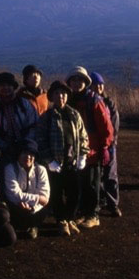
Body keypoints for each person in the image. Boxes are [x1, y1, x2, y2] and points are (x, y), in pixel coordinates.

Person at [37, 81, 89, 236]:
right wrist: (49, 160)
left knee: (75, 193)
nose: (61, 96)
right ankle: (61, 221)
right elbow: (41, 140)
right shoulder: (47, 117)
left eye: (64, 94)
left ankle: (69, 219)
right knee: (57, 194)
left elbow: (83, 136)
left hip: (72, 161)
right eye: (57, 93)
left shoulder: (74, 114)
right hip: (56, 163)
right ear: (52, 96)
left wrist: (83, 155)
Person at [66, 66, 114, 229]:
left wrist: (105, 147)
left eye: (80, 80)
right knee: (81, 183)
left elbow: (106, 127)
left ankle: (93, 215)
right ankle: (84, 213)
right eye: (74, 80)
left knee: (93, 183)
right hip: (74, 151)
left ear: (86, 82)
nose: (77, 83)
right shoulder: (70, 99)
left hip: (92, 150)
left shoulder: (94, 100)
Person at [3, 139, 50, 239]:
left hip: (35, 209)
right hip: (17, 206)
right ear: (18, 154)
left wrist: (32, 208)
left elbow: (45, 196)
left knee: (44, 209)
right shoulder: (10, 168)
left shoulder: (41, 170)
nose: (28, 157)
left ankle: (33, 226)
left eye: (31, 154)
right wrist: (38, 199)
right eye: (24, 153)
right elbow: (14, 195)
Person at [89, 72, 122, 217]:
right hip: (95, 146)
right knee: (97, 176)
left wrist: (111, 144)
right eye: (96, 84)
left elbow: (114, 126)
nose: (99, 87)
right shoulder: (89, 102)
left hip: (109, 145)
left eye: (101, 84)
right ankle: (101, 200)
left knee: (110, 175)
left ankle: (113, 204)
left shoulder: (109, 103)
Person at [0, 72, 39, 162]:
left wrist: (26, 144)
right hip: (5, 151)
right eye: (2, 85)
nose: (6, 88)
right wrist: (4, 146)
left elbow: (34, 124)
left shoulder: (24, 104)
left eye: (9, 85)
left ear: (13, 87)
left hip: (27, 149)